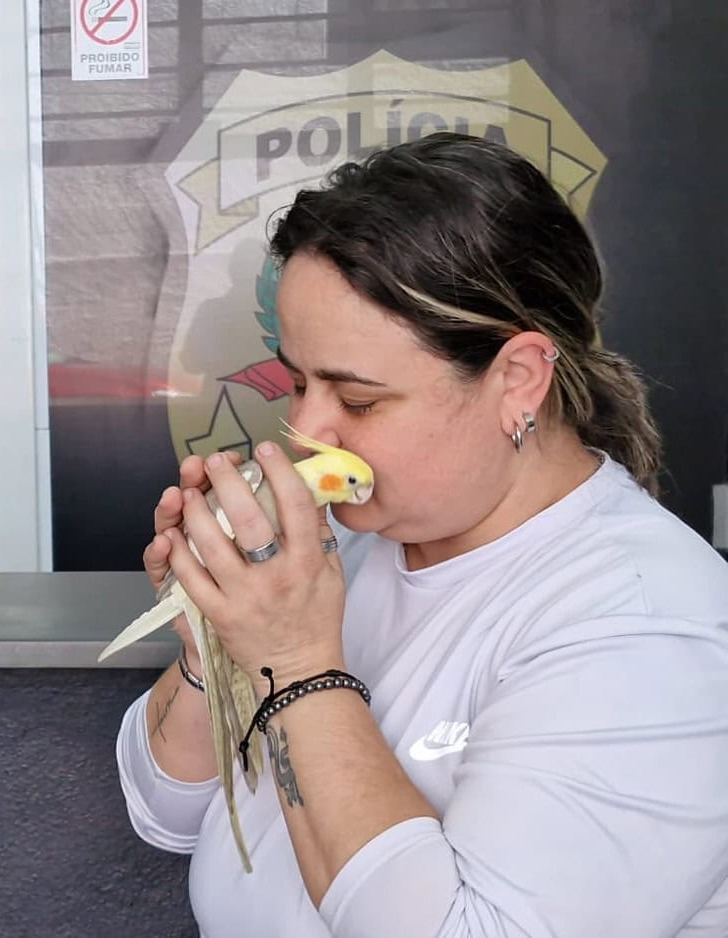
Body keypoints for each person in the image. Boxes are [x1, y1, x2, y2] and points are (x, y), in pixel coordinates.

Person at [114, 132, 728, 937]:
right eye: (297, 382)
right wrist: (215, 634)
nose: (305, 429)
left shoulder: (649, 631)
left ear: (517, 382)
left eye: (358, 400)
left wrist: (296, 661)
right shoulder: (355, 544)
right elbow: (167, 810)